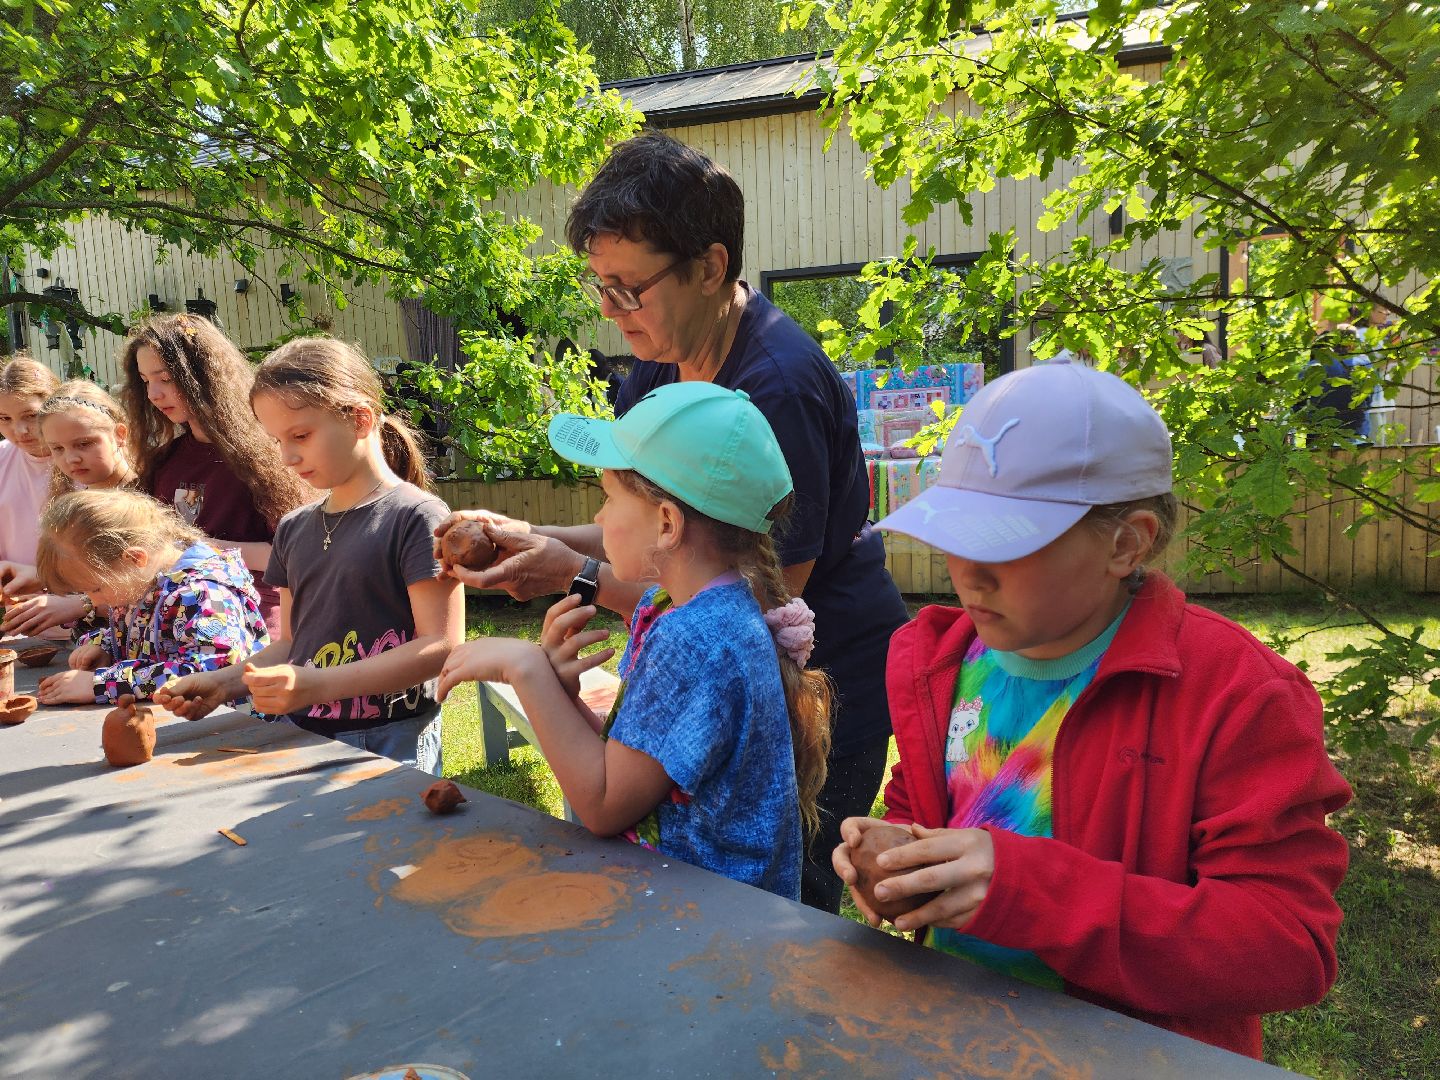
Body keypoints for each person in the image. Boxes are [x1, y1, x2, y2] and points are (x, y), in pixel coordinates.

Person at [435, 132, 910, 912]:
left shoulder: (775, 389)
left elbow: (751, 597)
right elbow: (662, 527)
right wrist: (537, 543)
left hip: (834, 670)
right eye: (599, 285)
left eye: (630, 288)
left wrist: (575, 573)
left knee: (802, 911)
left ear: (710, 266)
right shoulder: (662, 360)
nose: (610, 311)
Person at [830, 363, 1351, 1059]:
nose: (967, 572)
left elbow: (1287, 945)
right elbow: (928, 801)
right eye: (955, 534)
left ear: (1126, 543)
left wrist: (1028, 888)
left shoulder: (1235, 695)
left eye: (1005, 542)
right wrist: (897, 855)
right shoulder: (947, 664)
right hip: (954, 1037)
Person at [437, 383, 831, 899]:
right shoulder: (696, 607)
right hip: (716, 921)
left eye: (609, 498)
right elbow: (634, 769)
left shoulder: (695, 637)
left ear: (667, 522)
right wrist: (559, 696)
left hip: (708, 931)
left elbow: (602, 803)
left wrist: (524, 668)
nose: (599, 519)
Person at [156, 337, 464, 775]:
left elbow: (442, 645)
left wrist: (318, 685)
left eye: (300, 435)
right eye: (277, 440)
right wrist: (225, 685)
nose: (287, 456)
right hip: (303, 735)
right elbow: (290, 645)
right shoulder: (294, 527)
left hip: (391, 740)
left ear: (359, 419)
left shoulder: (416, 516)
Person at [122, 314, 310, 637]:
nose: (153, 394)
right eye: (145, 381)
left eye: (165, 378)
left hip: (251, 621)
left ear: (204, 375)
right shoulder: (165, 460)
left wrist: (197, 547)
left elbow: (291, 557)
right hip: (178, 622)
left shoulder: (267, 455)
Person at [32, 489, 267, 706]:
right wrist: (105, 646)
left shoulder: (203, 594)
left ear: (134, 559)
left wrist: (103, 683)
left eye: (95, 589)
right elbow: (148, 633)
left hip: (227, 730)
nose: (92, 602)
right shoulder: (142, 581)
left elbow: (212, 671)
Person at [0, 381, 138, 637]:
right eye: (58, 449)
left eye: (84, 444)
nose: (71, 458)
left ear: (120, 434)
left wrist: (81, 605)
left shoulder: (147, 495)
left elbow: (159, 586)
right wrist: (42, 578)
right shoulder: (77, 499)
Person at [0, 356, 61, 578]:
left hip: (82, 599)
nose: (20, 430)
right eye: (4, 418)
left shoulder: (84, 457)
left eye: (31, 416)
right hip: (17, 599)